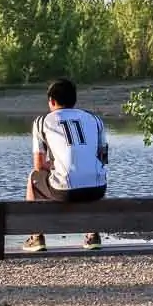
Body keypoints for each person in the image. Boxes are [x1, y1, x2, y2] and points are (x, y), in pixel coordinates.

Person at [23, 78, 108, 252]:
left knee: (34, 177)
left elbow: (39, 165)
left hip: (65, 191)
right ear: (74, 100)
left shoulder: (42, 122)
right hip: (98, 189)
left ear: (52, 101)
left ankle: (36, 236)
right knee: (92, 174)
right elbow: (102, 158)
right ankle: (93, 235)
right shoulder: (95, 120)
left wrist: (56, 165)